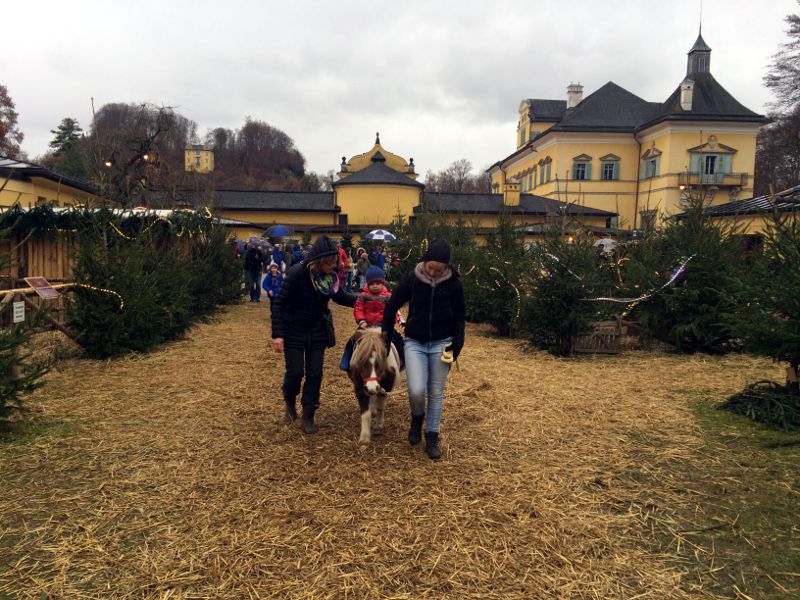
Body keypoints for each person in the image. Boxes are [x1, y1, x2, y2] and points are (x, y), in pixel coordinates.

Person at [381, 239, 465, 460]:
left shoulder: (454, 284)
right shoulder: (413, 279)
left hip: (442, 342)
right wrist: (386, 335)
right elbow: (392, 306)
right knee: (416, 390)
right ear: (425, 262)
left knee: (436, 393)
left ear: (446, 267)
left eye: (439, 270)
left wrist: (458, 342)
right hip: (415, 342)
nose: (434, 273)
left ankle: (432, 436)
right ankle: (417, 417)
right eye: (431, 268)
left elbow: (460, 315)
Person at [271, 235, 357, 434]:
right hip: (293, 330)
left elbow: (342, 297)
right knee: (295, 373)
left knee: (315, 373)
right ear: (318, 261)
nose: (333, 267)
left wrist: (367, 299)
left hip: (317, 330)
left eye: (335, 263)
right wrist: (278, 334)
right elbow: (279, 303)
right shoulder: (296, 274)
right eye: (329, 263)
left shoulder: (329, 280)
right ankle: (290, 402)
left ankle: (308, 414)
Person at [339, 266, 404, 371]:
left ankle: (403, 358)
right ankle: (346, 359)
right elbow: (358, 308)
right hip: (367, 325)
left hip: (383, 325)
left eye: (377, 283)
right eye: (372, 284)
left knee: (397, 338)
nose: (375, 286)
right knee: (353, 340)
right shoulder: (363, 296)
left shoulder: (388, 296)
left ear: (382, 283)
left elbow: (393, 309)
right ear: (367, 284)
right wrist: (361, 320)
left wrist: (396, 319)